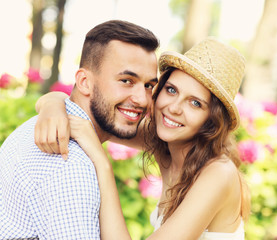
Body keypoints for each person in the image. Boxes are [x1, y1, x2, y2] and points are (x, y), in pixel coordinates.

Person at [35, 37, 251, 239]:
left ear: (211, 120)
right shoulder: (163, 141)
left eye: (195, 103)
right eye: (171, 90)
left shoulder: (219, 173)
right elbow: (92, 112)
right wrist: (53, 107)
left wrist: (102, 164)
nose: (174, 108)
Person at [0, 19, 159, 240]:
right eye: (126, 80)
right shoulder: (70, 161)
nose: (143, 99)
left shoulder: (38, 126)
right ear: (84, 82)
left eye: (149, 85)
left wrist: (52, 101)